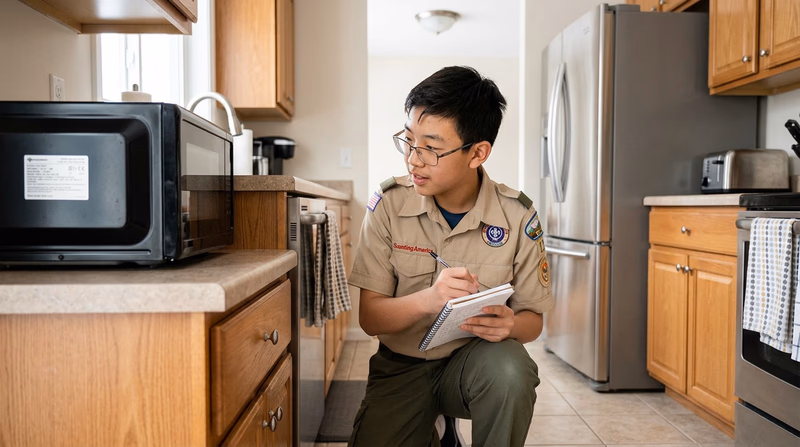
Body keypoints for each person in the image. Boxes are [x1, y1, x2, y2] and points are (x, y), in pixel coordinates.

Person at [347, 65, 553, 447]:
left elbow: (533, 321)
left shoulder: (518, 216)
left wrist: (510, 325)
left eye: (431, 148)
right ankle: (440, 432)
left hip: (474, 364)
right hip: (401, 367)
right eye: (409, 141)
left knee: (512, 370)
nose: (413, 159)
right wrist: (431, 299)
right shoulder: (388, 205)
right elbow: (370, 319)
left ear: (478, 153)